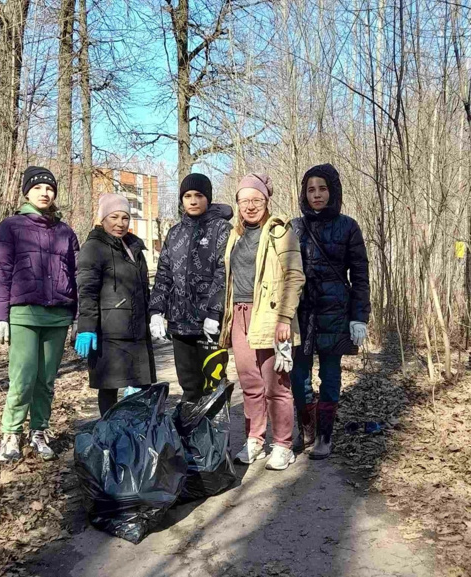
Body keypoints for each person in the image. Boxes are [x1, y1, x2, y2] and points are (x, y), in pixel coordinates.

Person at [0, 166, 79, 462]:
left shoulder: (65, 232)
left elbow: (77, 273)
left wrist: (78, 316)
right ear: (27, 191)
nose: (45, 192)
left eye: (50, 188)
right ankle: (11, 434)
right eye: (38, 187)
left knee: (46, 380)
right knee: (23, 377)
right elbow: (0, 271)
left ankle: (39, 431)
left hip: (58, 315)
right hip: (24, 313)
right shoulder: (11, 226)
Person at [219, 173, 305, 470]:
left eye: (256, 200)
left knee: (276, 384)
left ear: (266, 201)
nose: (250, 206)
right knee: (250, 383)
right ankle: (255, 439)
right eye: (244, 201)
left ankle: (283, 444)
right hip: (238, 314)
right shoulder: (235, 234)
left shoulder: (281, 233)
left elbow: (294, 276)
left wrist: (284, 318)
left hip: (269, 315)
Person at [291, 163, 371, 459]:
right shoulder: (294, 227)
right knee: (298, 375)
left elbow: (360, 275)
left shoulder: (348, 226)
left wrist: (359, 317)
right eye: (311, 189)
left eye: (322, 188)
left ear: (333, 190)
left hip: (336, 312)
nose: (317, 195)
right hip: (301, 313)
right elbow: (282, 273)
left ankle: (325, 435)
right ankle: (307, 428)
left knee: (330, 375)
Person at [149, 173, 232, 404]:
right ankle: (191, 438)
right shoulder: (174, 233)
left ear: (208, 198)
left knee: (214, 383)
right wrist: (156, 312)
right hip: (180, 322)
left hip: (210, 325)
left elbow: (223, 272)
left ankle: (216, 436)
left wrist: (215, 313)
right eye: (187, 196)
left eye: (198, 195)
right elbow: (164, 274)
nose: (193, 201)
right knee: (189, 385)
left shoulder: (222, 229)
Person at [75, 193, 156, 416]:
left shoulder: (133, 248)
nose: (120, 223)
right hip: (108, 333)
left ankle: (133, 440)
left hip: (137, 332)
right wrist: (87, 328)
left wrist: (154, 315)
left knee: (140, 388)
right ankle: (108, 437)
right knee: (109, 387)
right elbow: (87, 291)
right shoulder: (93, 248)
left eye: (125, 218)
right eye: (114, 217)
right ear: (103, 218)